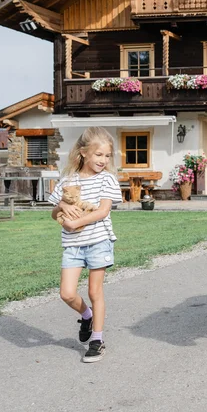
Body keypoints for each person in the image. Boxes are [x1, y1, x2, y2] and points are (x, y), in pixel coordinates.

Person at [49, 127, 122, 363]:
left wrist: (76, 222)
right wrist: (61, 207)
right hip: (73, 245)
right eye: (99, 155)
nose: (103, 160)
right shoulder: (68, 180)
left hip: (98, 241)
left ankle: (97, 341)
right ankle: (87, 315)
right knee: (67, 293)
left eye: (107, 156)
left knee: (94, 291)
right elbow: (53, 213)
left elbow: (103, 211)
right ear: (83, 153)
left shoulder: (107, 179)